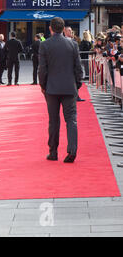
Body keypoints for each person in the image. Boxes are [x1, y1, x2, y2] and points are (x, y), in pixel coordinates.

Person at [38, 17, 83, 163]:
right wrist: (77, 83)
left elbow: (42, 69)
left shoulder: (45, 45)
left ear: (51, 29)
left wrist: (43, 85)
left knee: (54, 120)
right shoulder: (73, 44)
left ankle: (53, 151)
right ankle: (72, 150)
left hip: (52, 88)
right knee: (71, 119)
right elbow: (78, 67)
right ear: (63, 29)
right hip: (69, 87)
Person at [64, 27, 85, 102]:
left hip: (74, 65)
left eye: (71, 31)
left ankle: (76, 95)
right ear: (65, 32)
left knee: (75, 80)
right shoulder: (63, 41)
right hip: (66, 65)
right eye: (69, 31)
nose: (71, 32)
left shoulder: (74, 41)